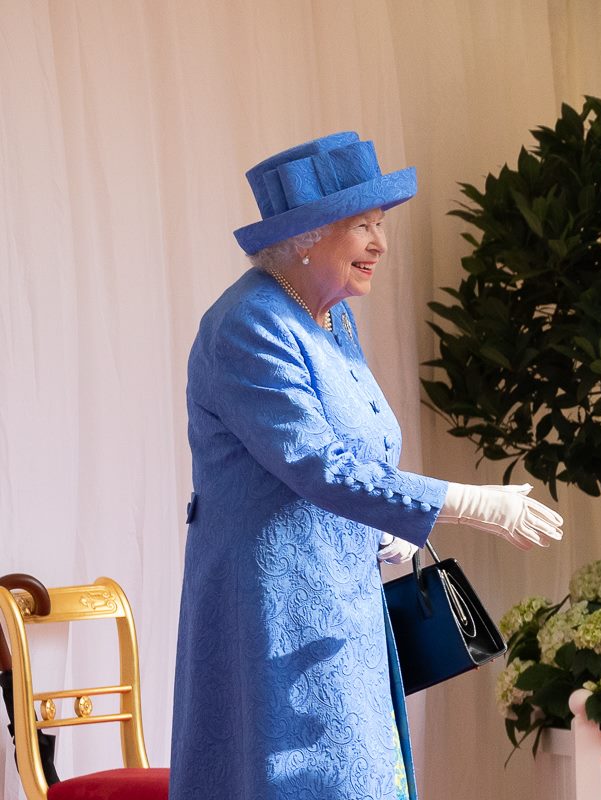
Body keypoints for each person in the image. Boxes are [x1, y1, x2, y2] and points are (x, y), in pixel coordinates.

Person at [169, 132, 564, 800]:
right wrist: (469, 503)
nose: (380, 243)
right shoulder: (248, 325)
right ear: (303, 237)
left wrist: (386, 528)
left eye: (380, 225)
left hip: (341, 596)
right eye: (363, 227)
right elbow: (320, 465)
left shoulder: (329, 320)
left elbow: (360, 453)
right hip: (274, 610)